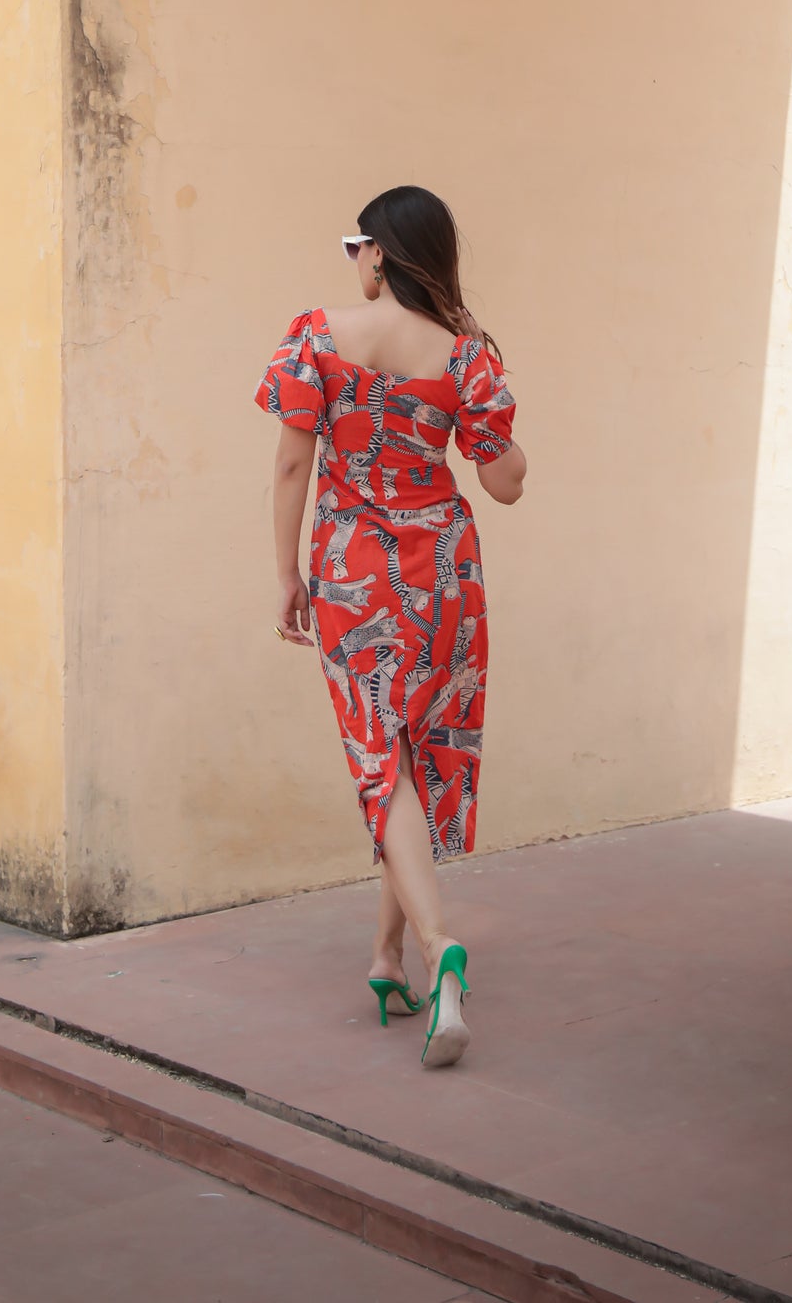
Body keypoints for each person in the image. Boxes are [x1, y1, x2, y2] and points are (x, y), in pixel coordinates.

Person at [255, 185, 525, 1069]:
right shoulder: (464, 355)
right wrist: (494, 412)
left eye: (354, 245)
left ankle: (441, 944)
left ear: (377, 252)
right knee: (410, 758)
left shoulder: (315, 337)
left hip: (351, 574)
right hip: (443, 572)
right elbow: (505, 480)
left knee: (381, 763)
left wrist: (288, 571)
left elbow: (294, 463)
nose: (352, 262)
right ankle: (386, 957)